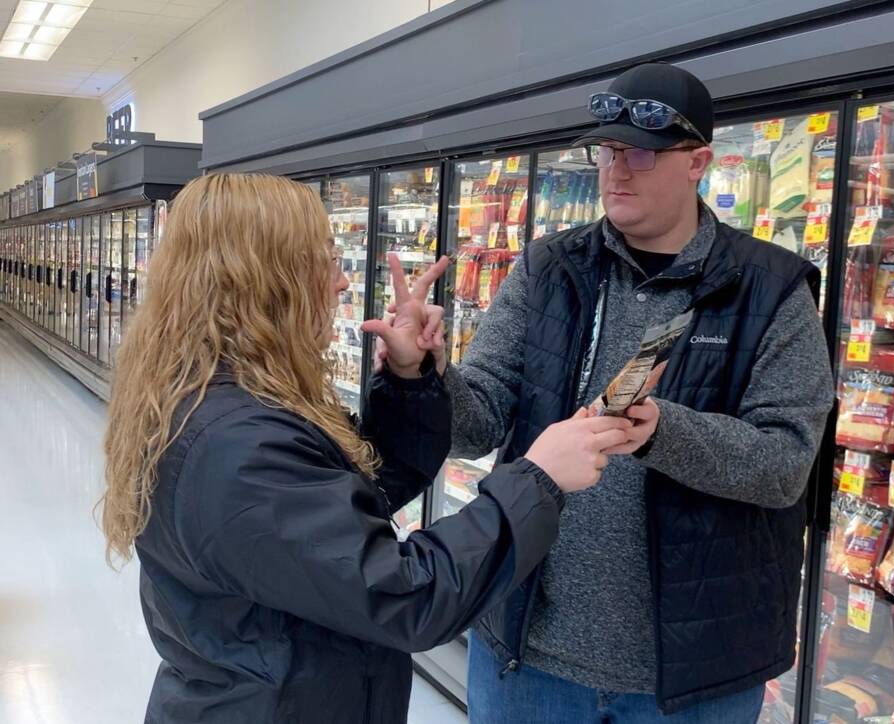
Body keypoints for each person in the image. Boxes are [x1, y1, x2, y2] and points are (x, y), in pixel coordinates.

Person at [382, 62, 836, 722]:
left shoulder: (772, 290)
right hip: (525, 652)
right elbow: (478, 421)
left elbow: (784, 464)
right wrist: (419, 376)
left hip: (693, 678)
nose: (617, 169)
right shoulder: (547, 268)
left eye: (643, 153)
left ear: (697, 162)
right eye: (608, 150)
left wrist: (660, 431)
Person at [99, 173, 632, 724]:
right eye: (322, 261)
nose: (339, 283)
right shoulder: (238, 444)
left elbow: (360, 494)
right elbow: (408, 596)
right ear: (267, 279)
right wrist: (537, 479)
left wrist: (407, 379)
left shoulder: (228, 400)